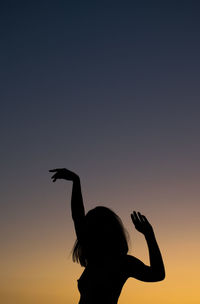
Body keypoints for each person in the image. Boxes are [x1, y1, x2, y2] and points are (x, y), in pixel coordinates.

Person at [49, 168, 165, 304]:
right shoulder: (101, 257)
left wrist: (149, 235)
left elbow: (157, 274)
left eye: (92, 226)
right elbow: (78, 217)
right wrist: (76, 181)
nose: (87, 230)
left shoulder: (120, 262)